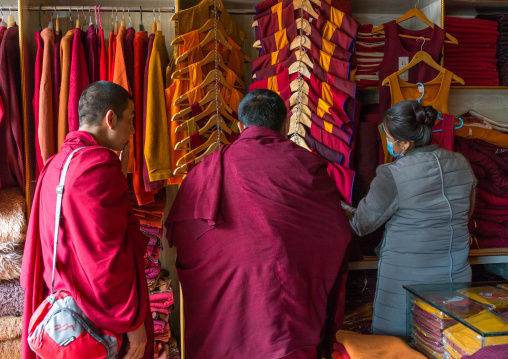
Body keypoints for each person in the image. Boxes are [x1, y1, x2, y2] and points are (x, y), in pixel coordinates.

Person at [165, 89, 351, 358]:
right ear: (285, 125)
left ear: (240, 126)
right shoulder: (307, 166)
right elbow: (336, 233)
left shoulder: (203, 171)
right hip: (283, 312)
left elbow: (185, 239)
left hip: (222, 313)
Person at [21, 81, 153, 359]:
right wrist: (133, 323)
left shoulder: (54, 164)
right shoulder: (99, 167)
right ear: (110, 118)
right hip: (99, 323)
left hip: (63, 320)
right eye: (130, 120)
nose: (132, 131)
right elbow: (109, 261)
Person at [342, 100, 476, 338]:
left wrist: (335, 204)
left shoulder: (392, 175)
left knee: (403, 347)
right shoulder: (461, 164)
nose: (388, 142)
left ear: (405, 143)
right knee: (446, 344)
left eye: (390, 138)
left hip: (406, 285)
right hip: (455, 278)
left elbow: (360, 224)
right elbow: (467, 212)